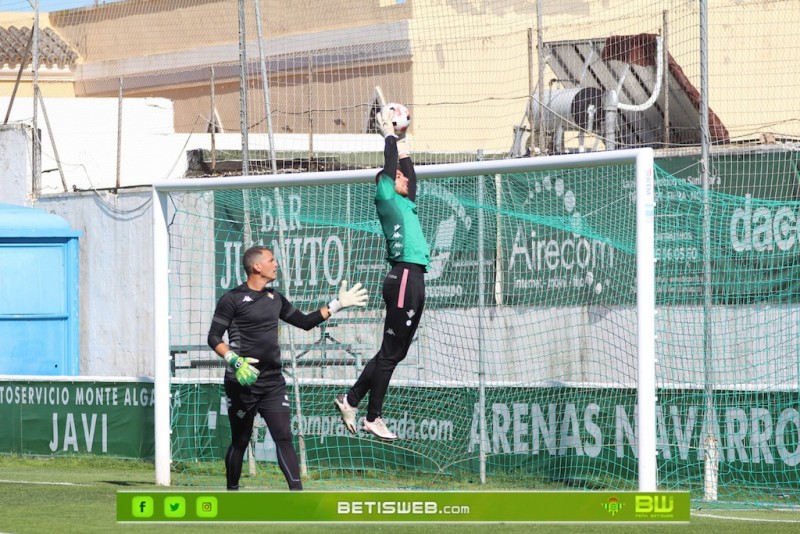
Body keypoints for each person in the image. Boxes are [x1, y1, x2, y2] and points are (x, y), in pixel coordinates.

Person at [208, 245, 368, 490]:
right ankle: (232, 492)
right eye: (271, 260)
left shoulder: (275, 298)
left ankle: (297, 496)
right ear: (257, 266)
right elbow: (214, 338)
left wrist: (337, 304)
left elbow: (304, 322)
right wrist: (235, 361)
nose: (276, 264)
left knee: (284, 437)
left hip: (273, 382)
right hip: (242, 383)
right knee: (240, 440)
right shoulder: (232, 299)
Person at [334, 104, 430, 441]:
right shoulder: (387, 197)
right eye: (397, 177)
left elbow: (408, 173)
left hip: (413, 278)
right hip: (403, 277)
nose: (404, 178)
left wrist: (401, 141)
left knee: (396, 352)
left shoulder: (406, 201)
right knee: (391, 353)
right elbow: (392, 168)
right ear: (388, 185)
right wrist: (388, 133)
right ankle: (373, 416)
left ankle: (351, 399)